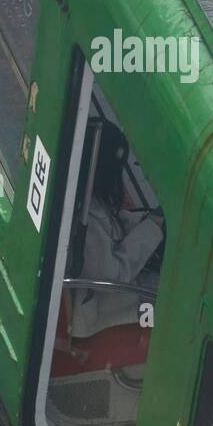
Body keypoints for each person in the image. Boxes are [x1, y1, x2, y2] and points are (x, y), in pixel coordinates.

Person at [70, 123, 163, 339]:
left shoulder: (88, 199)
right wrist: (150, 231)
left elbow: (112, 226)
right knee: (173, 298)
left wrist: (147, 222)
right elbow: (113, 277)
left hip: (115, 297)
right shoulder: (83, 219)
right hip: (105, 310)